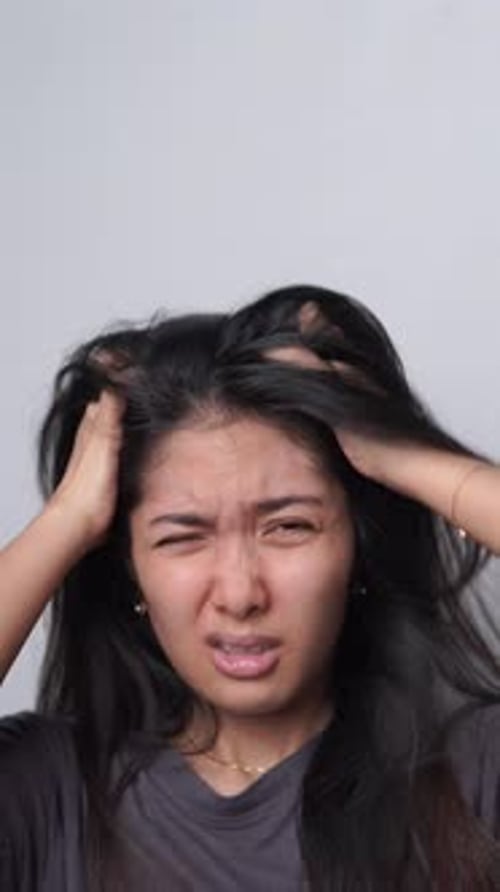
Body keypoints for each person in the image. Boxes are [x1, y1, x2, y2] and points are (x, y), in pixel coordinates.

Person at [0, 284, 499, 892]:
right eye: (182, 538)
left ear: (357, 551)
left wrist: (400, 455)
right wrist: (66, 520)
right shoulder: (50, 794)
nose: (240, 595)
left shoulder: (470, 774)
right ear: (130, 569)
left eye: (289, 526)